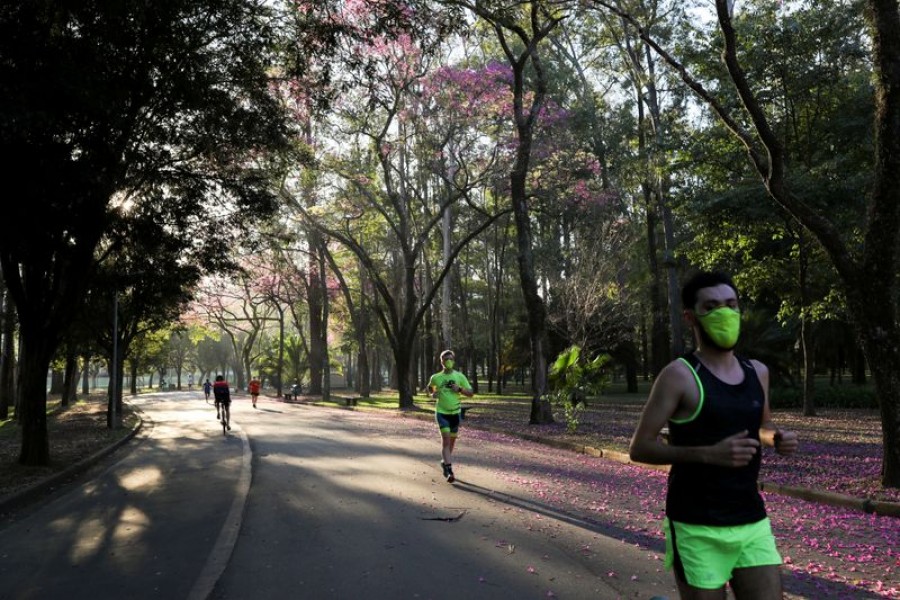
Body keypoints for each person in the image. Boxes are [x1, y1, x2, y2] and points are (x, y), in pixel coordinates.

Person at [629, 271, 799, 600]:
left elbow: (762, 425)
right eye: (712, 306)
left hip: (751, 518)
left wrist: (776, 437)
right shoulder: (679, 375)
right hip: (696, 524)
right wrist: (707, 453)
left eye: (731, 304)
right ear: (691, 317)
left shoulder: (757, 372)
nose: (724, 312)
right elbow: (640, 447)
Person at [427, 350, 474, 483]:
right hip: (442, 413)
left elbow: (471, 393)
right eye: (446, 359)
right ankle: (449, 470)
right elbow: (430, 387)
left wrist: (459, 389)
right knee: (446, 441)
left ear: (454, 361)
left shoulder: (460, 376)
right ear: (441, 361)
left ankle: (444, 462)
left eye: (451, 359)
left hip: (455, 413)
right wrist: (433, 394)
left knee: (452, 442)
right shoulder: (436, 377)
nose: (449, 361)